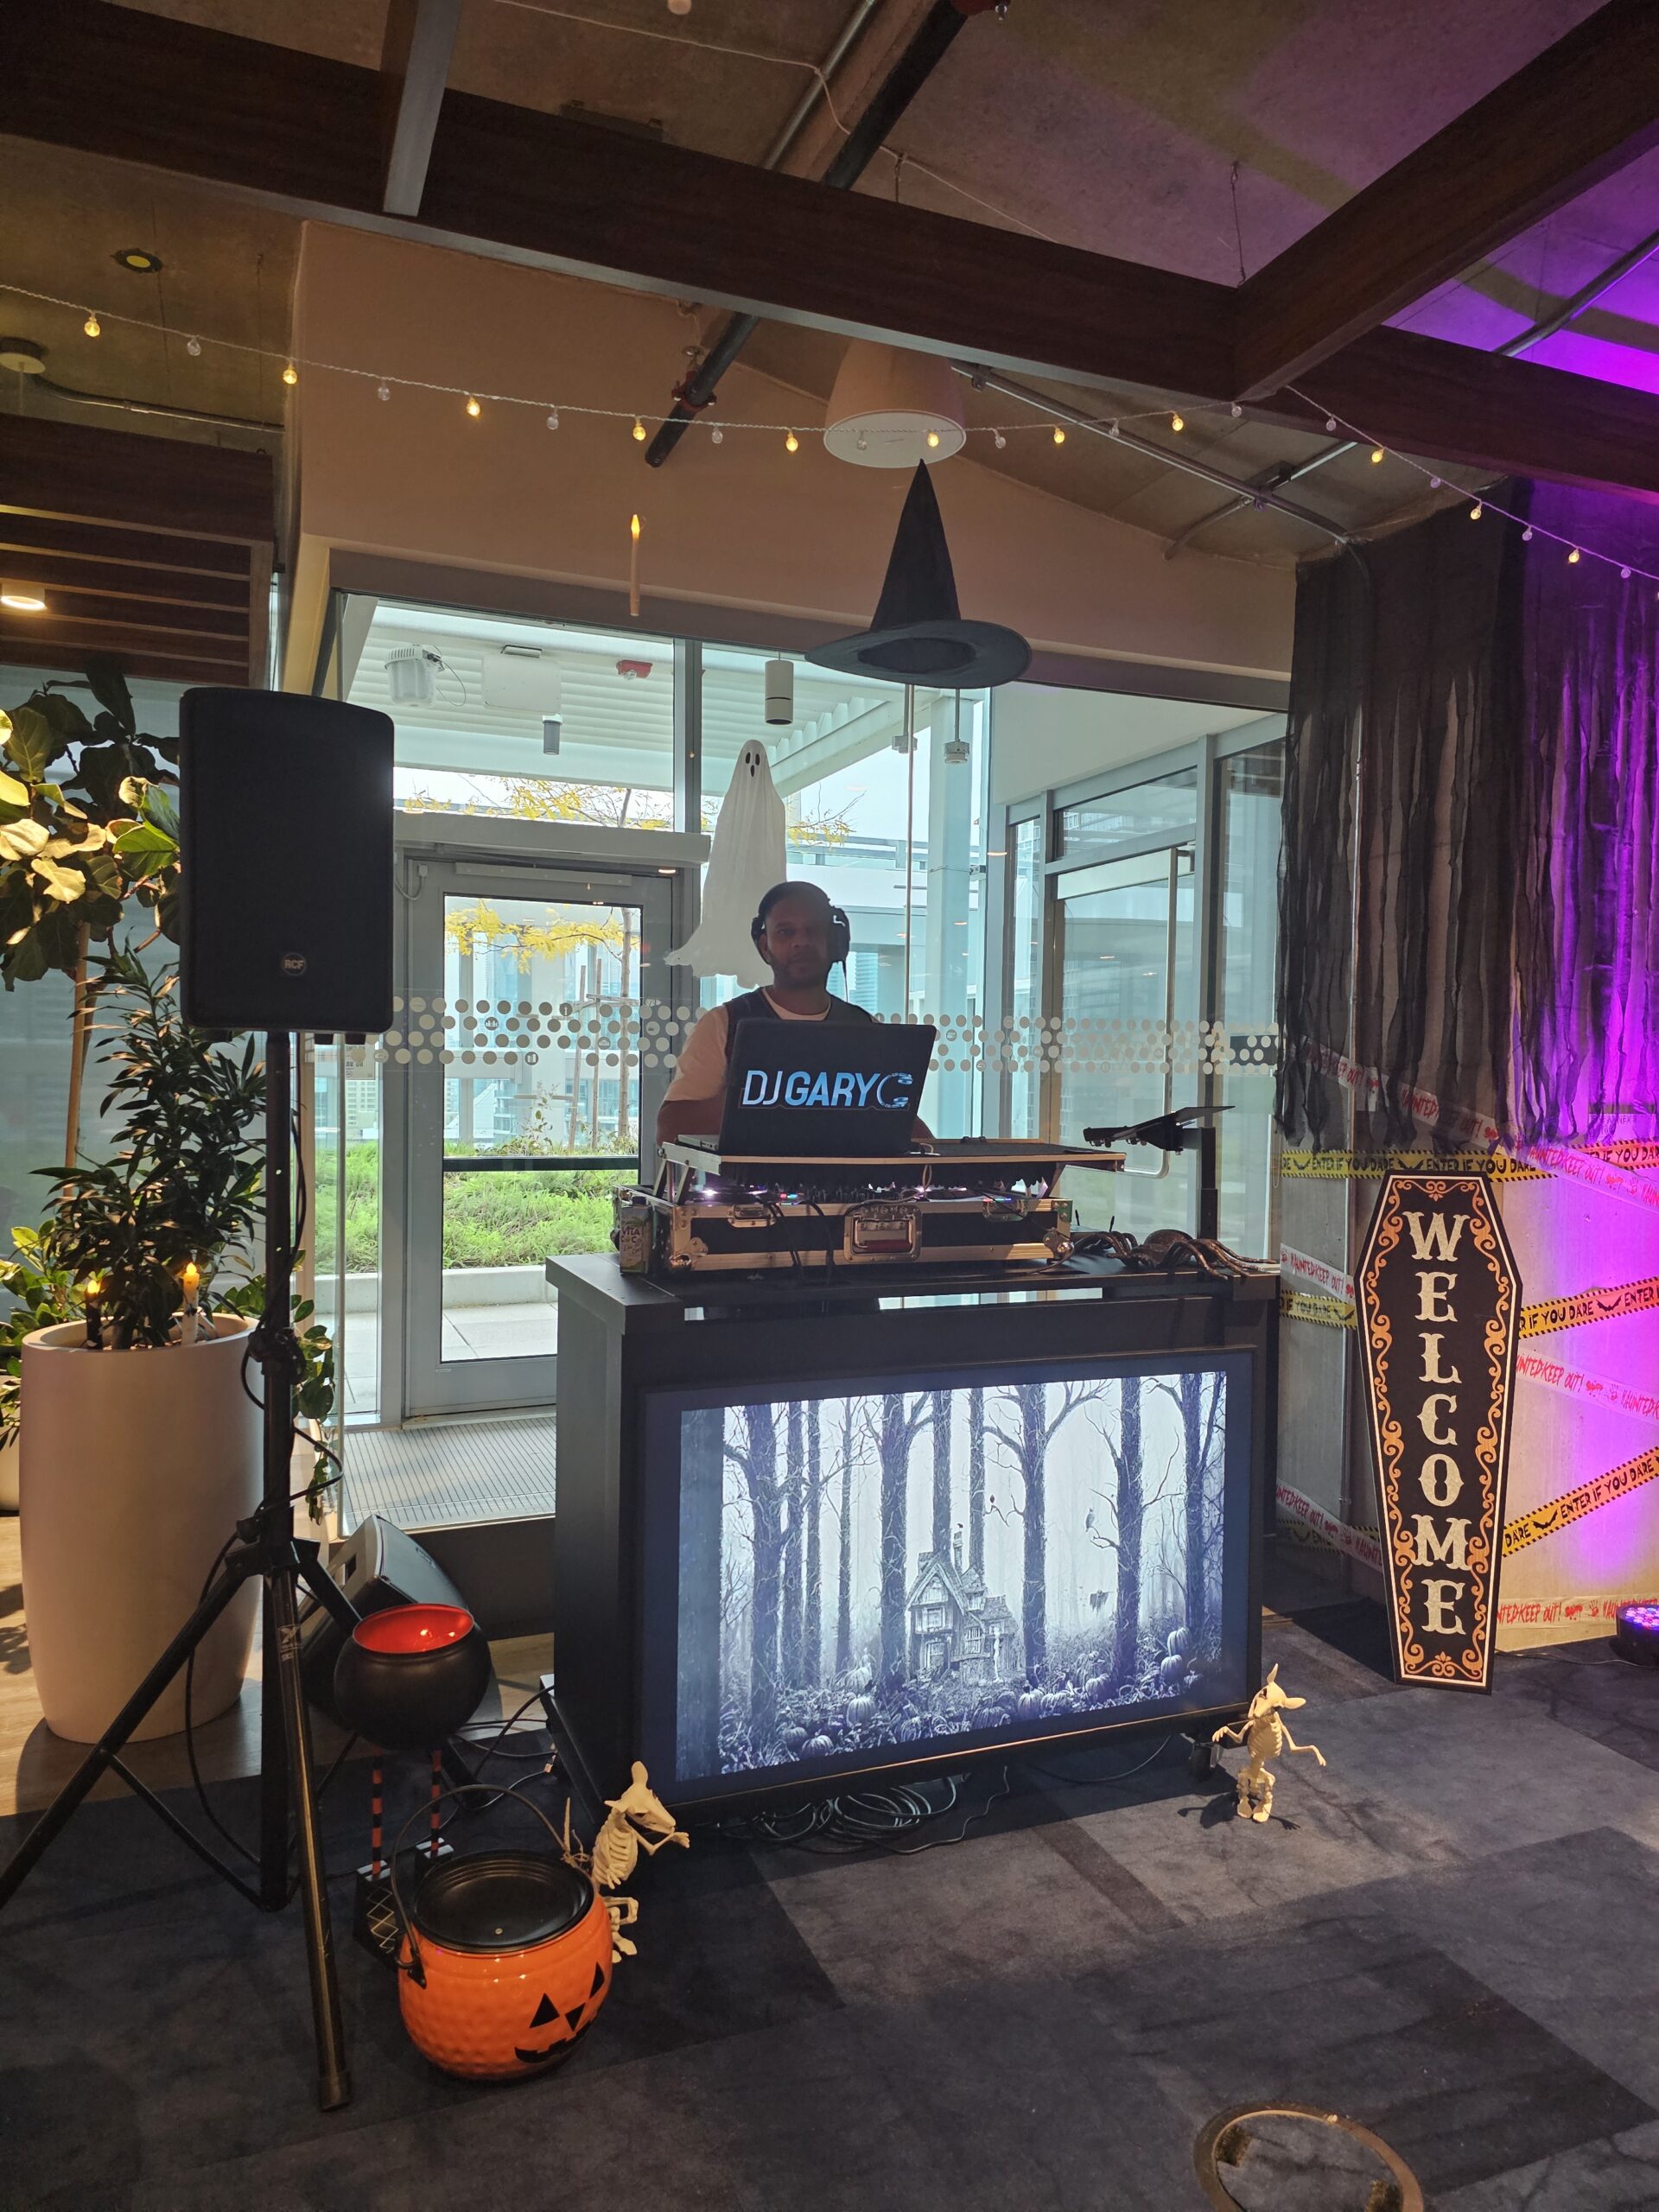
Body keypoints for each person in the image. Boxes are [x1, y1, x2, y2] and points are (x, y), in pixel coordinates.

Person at [656, 879, 931, 1145]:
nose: (801, 942)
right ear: (765, 947)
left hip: (843, 1180)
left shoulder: (864, 1027)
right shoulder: (724, 1024)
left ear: (834, 941)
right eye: (785, 932)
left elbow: (904, 1124)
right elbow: (669, 1129)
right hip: (747, 1180)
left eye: (812, 930)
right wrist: (757, 1092)